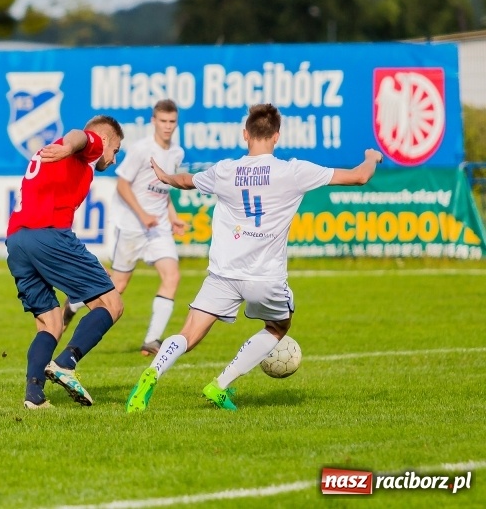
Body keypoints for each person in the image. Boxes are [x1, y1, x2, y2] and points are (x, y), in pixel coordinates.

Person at [125, 103, 383, 412]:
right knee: (278, 327)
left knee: (188, 333)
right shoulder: (294, 171)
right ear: (277, 136)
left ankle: (153, 372)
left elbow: (185, 181)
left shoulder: (225, 170)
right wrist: (372, 157)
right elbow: (359, 177)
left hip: (224, 273)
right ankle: (220, 385)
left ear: (245, 134)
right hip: (264, 276)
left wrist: (166, 176)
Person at [6, 115, 125, 409]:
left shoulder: (64, 158)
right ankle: (65, 363)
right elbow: (80, 134)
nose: (113, 158)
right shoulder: (85, 147)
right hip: (49, 236)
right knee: (112, 304)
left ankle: (34, 396)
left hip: (17, 241)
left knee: (51, 321)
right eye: (116, 150)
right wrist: (69, 145)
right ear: (106, 141)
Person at [62, 99, 186, 357]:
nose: (167, 126)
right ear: (153, 121)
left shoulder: (177, 152)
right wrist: (143, 215)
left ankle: (152, 340)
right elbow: (123, 185)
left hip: (158, 227)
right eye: (162, 121)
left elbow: (164, 189)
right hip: (132, 225)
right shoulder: (142, 150)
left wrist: (172, 216)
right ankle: (74, 302)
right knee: (118, 286)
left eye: (172, 121)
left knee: (172, 276)